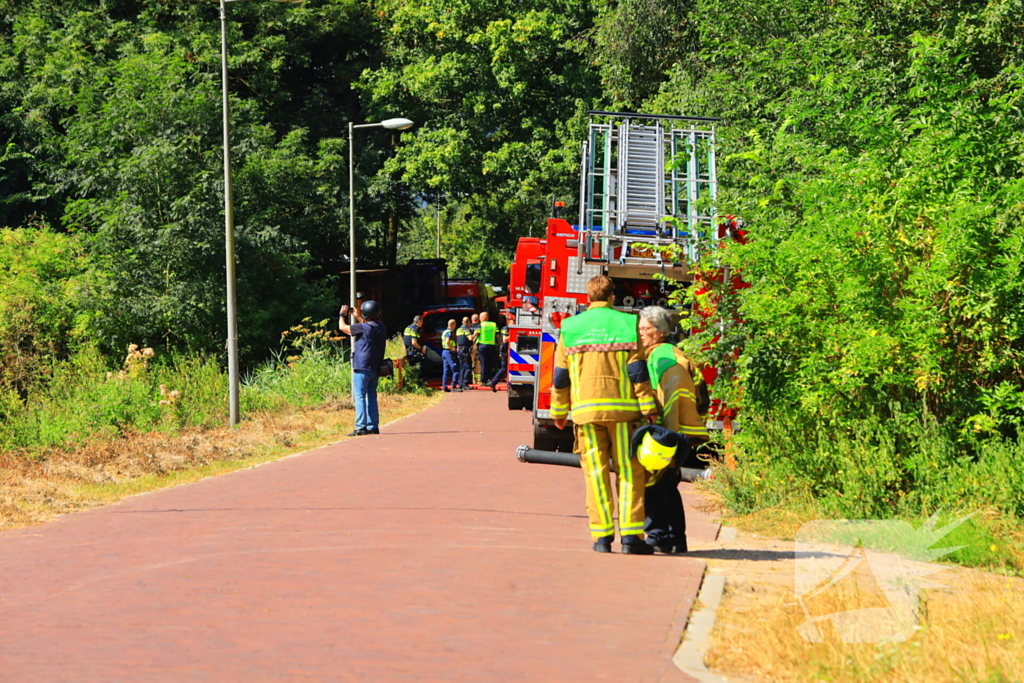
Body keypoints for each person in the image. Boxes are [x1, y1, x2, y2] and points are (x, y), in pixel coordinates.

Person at [551, 275, 659, 554]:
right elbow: (637, 371)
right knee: (629, 473)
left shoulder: (570, 328)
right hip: (623, 414)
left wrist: (559, 411)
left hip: (586, 415)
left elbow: (561, 377)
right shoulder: (626, 323)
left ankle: (601, 539)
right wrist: (648, 407)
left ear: (588, 298)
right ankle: (631, 539)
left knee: (595, 475)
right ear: (612, 297)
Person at [637, 306, 710, 553]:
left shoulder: (659, 358)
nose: (641, 333)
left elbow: (656, 396)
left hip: (666, 433)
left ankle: (659, 536)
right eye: (640, 329)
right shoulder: (678, 354)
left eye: (645, 329)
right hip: (681, 432)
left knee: (654, 483)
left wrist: (657, 430)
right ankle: (676, 539)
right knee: (668, 483)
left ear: (660, 332)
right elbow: (703, 394)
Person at [339, 300, 387, 436]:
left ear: (366, 313)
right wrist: (358, 316)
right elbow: (367, 326)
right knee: (371, 396)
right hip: (375, 367)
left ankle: (360, 427)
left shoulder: (363, 327)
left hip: (362, 366)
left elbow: (344, 328)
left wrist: (342, 315)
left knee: (359, 396)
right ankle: (373, 426)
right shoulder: (381, 327)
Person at [477, 311, 499, 389]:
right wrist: (499, 345)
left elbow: (476, 334)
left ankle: (483, 380)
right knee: (490, 363)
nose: (479, 318)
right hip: (492, 346)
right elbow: (498, 336)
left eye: (481, 317)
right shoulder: (494, 325)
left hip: (483, 346)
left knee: (483, 363)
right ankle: (490, 379)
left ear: (485, 317)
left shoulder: (481, 325)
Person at [487, 319, 510, 392]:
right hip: (505, 351)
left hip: (506, 351)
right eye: (513, 320)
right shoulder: (506, 328)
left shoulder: (508, 328)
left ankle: (494, 383)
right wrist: (514, 334)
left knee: (506, 369)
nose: (515, 322)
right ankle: (493, 382)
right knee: (504, 368)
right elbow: (504, 340)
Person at [441, 319, 462, 392]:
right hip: (449, 352)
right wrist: (452, 348)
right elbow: (447, 341)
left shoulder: (444, 331)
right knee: (455, 368)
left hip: (444, 351)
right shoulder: (449, 332)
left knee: (446, 370)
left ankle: (444, 386)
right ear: (453, 325)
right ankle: (454, 386)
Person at [456, 316, 474, 390]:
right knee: (468, 367)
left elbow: (458, 341)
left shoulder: (458, 329)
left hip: (460, 350)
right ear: (468, 322)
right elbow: (470, 338)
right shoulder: (466, 329)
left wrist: (457, 350)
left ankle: (460, 383)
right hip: (465, 350)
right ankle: (465, 384)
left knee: (461, 367)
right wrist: (475, 334)